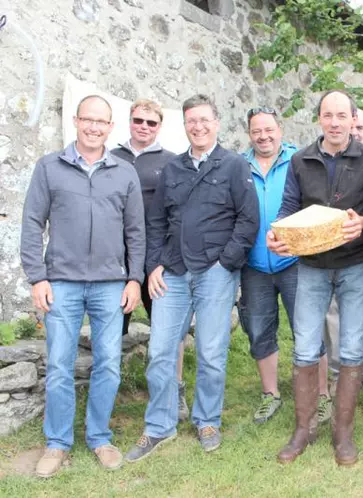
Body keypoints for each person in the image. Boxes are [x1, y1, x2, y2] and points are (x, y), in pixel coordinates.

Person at [125, 94, 259, 461]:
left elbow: (248, 220)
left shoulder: (233, 165)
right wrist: (153, 265)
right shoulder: (173, 168)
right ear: (184, 125)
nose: (197, 127)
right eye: (191, 121)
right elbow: (155, 221)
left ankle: (207, 420)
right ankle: (158, 426)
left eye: (204, 120)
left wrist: (225, 262)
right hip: (173, 272)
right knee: (160, 351)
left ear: (216, 123)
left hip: (215, 272)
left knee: (211, 352)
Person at [21, 95, 145, 477]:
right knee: (59, 365)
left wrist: (134, 279)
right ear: (75, 121)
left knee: (108, 364)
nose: (94, 127)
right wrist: (37, 276)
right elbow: (30, 224)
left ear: (111, 128)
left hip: (111, 285)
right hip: (61, 283)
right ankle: (57, 443)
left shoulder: (124, 172)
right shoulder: (49, 167)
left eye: (101, 122)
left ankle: (99, 437)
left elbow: (136, 232)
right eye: (87, 119)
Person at [268, 90, 363, 466]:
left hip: (355, 264)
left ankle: (342, 434)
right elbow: (287, 208)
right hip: (312, 267)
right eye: (327, 116)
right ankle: (304, 429)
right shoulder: (301, 160)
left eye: (341, 116)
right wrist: (278, 234)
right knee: (304, 347)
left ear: (353, 120)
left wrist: (362, 224)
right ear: (319, 119)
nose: (334, 123)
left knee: (350, 349)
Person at [237, 106, 328, 424]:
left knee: (308, 329)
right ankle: (270, 394)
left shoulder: (300, 161)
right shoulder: (239, 165)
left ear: (280, 129)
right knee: (260, 330)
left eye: (268, 129)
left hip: (295, 262)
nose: (263, 136)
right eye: (256, 131)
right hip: (254, 265)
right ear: (249, 134)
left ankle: (321, 396)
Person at [111, 99, 191, 423]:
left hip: (158, 260)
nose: (144, 126)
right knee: (113, 328)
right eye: (138, 120)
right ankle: (108, 393)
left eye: (151, 122)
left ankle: (176, 392)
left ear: (160, 126)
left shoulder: (171, 163)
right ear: (128, 121)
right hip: (119, 260)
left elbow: (178, 212)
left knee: (170, 332)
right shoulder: (111, 157)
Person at [324, 107, 363, 399]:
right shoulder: (335, 162)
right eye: (354, 127)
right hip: (345, 256)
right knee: (336, 315)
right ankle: (339, 372)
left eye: (362, 127)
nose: (356, 132)